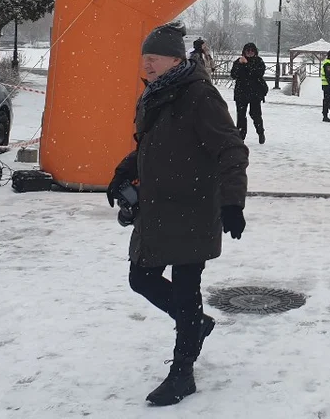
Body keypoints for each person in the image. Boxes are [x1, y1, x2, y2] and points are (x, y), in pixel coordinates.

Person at [106, 22, 248, 407]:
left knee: (186, 291)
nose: (146, 65)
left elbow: (232, 150)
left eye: (152, 58)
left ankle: (182, 372)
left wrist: (233, 203)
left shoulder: (200, 96)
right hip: (158, 209)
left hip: (195, 208)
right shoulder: (157, 94)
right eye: (144, 58)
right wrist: (124, 169)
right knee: (141, 277)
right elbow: (154, 145)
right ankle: (197, 325)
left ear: (174, 59)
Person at [230, 42, 268, 144]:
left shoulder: (258, 61)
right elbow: (234, 75)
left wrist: (246, 64)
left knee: (255, 114)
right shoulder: (238, 62)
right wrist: (241, 65)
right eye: (248, 51)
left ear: (255, 52)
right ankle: (240, 137)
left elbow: (257, 74)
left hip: (255, 93)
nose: (250, 53)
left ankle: (260, 132)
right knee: (241, 115)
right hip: (241, 92)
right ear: (244, 52)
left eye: (252, 51)